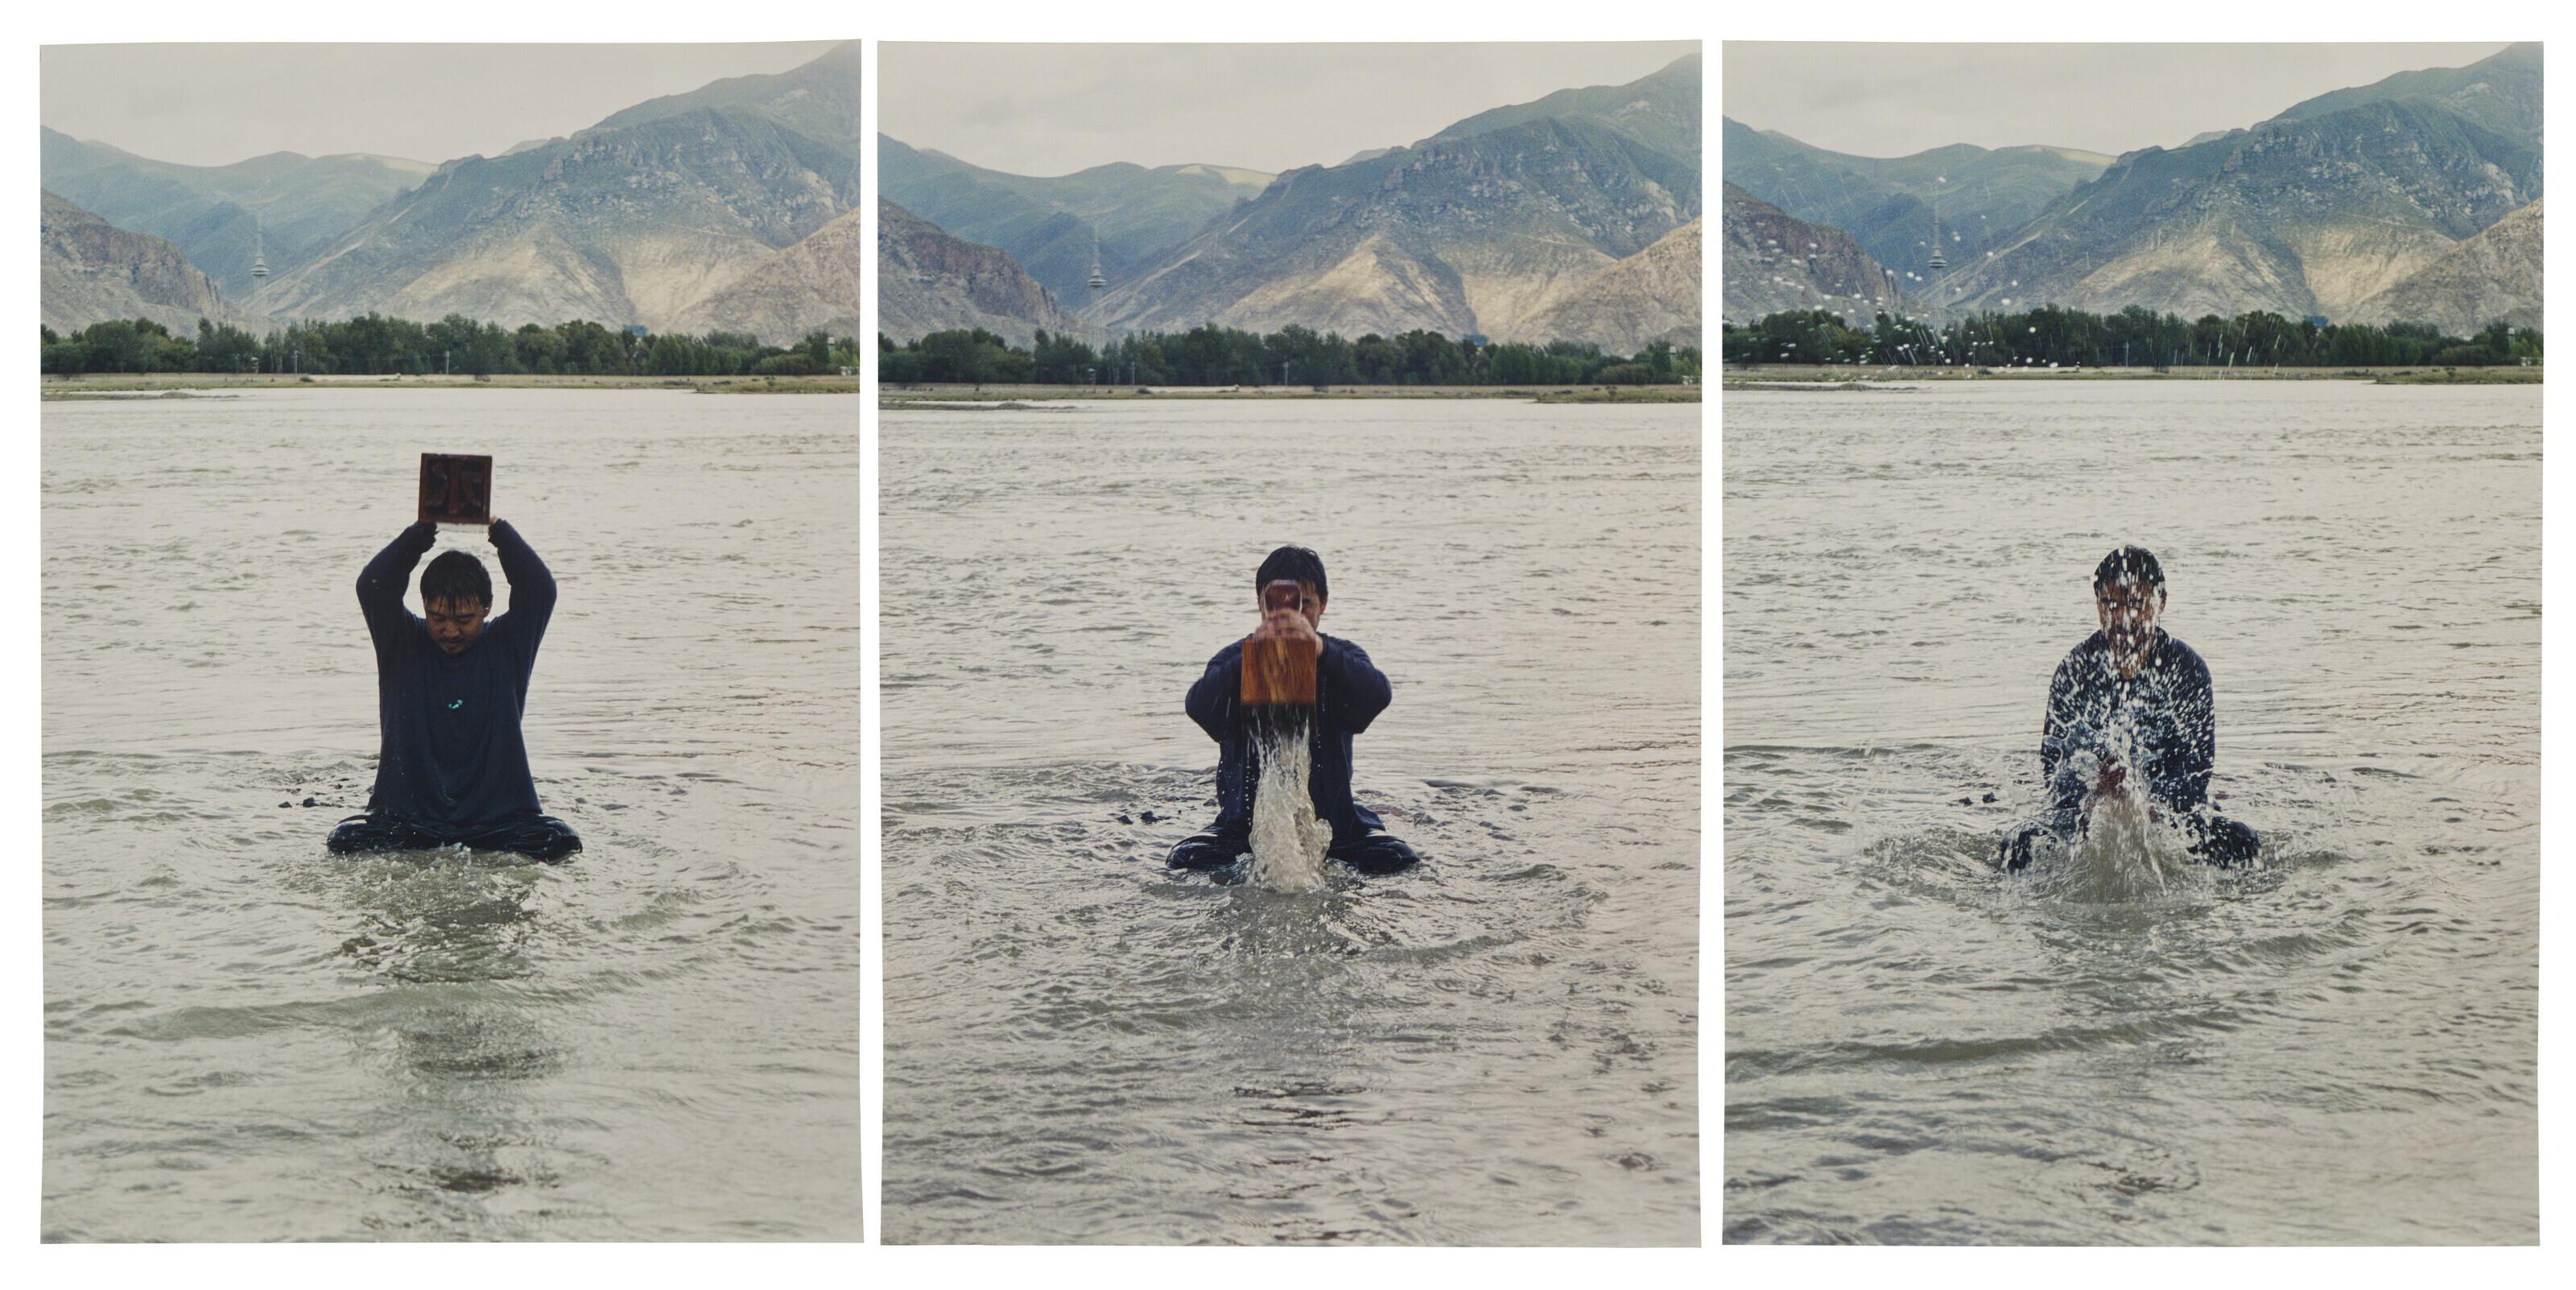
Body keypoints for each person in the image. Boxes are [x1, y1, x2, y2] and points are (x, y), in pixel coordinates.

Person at [327, 518, 580, 861]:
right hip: (410, 820)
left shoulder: (508, 645)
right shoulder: (400, 642)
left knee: (560, 841)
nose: (450, 631)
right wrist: (422, 531)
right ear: (425, 606)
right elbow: (373, 586)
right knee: (344, 840)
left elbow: (539, 589)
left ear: (487, 608)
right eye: (438, 617)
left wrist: (497, 529)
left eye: (464, 620)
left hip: (497, 821)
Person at [1997, 545, 2260, 870]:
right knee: (2019, 844)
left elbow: (2196, 768)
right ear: (2097, 605)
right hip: (2092, 812)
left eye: (2137, 604)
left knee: (2241, 840)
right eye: (2111, 605)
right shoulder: (2075, 670)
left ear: (2161, 602)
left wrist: (2147, 799)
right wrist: (2096, 791)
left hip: (2166, 816)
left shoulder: (2187, 669)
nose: (2124, 619)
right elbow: (2055, 768)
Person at [1166, 546, 1421, 874]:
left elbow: (1377, 696)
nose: (1288, 618)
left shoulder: (1338, 656)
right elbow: (1199, 706)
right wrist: (1251, 656)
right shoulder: (1235, 658)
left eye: (1304, 606)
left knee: (1397, 858)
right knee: (1186, 859)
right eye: (1276, 607)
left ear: (1322, 605)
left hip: (1333, 828)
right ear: (1260, 604)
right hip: (1244, 830)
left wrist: (1319, 650)